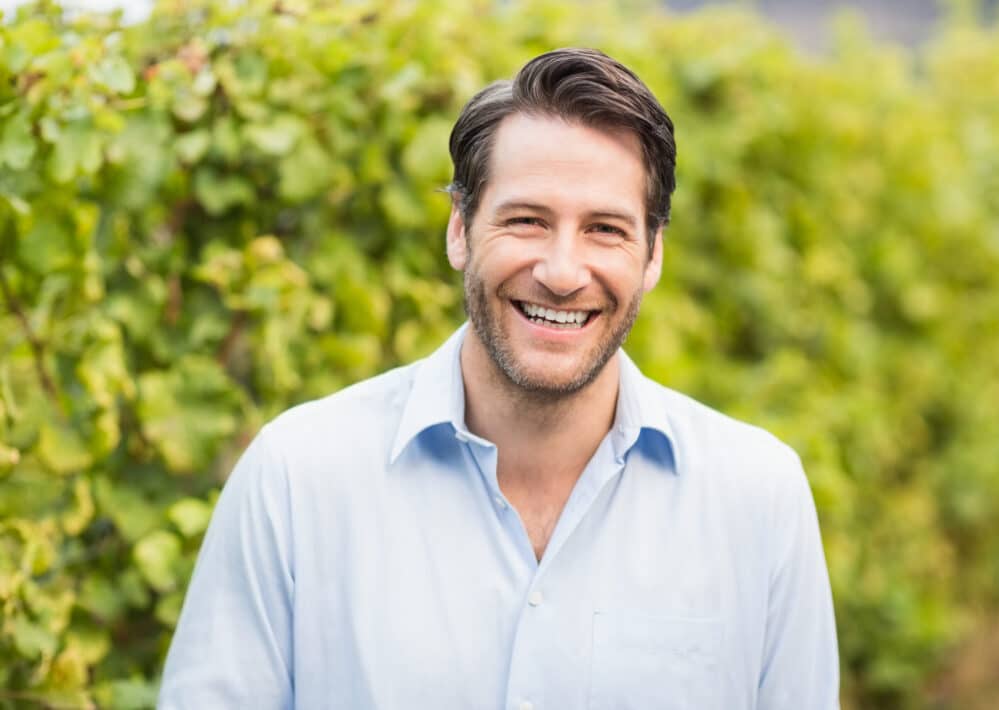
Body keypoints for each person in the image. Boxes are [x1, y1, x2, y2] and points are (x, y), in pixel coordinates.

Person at [158, 48, 840, 709]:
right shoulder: (297, 479)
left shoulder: (759, 500)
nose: (563, 272)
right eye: (526, 220)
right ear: (460, 228)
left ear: (653, 254)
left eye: (605, 229)